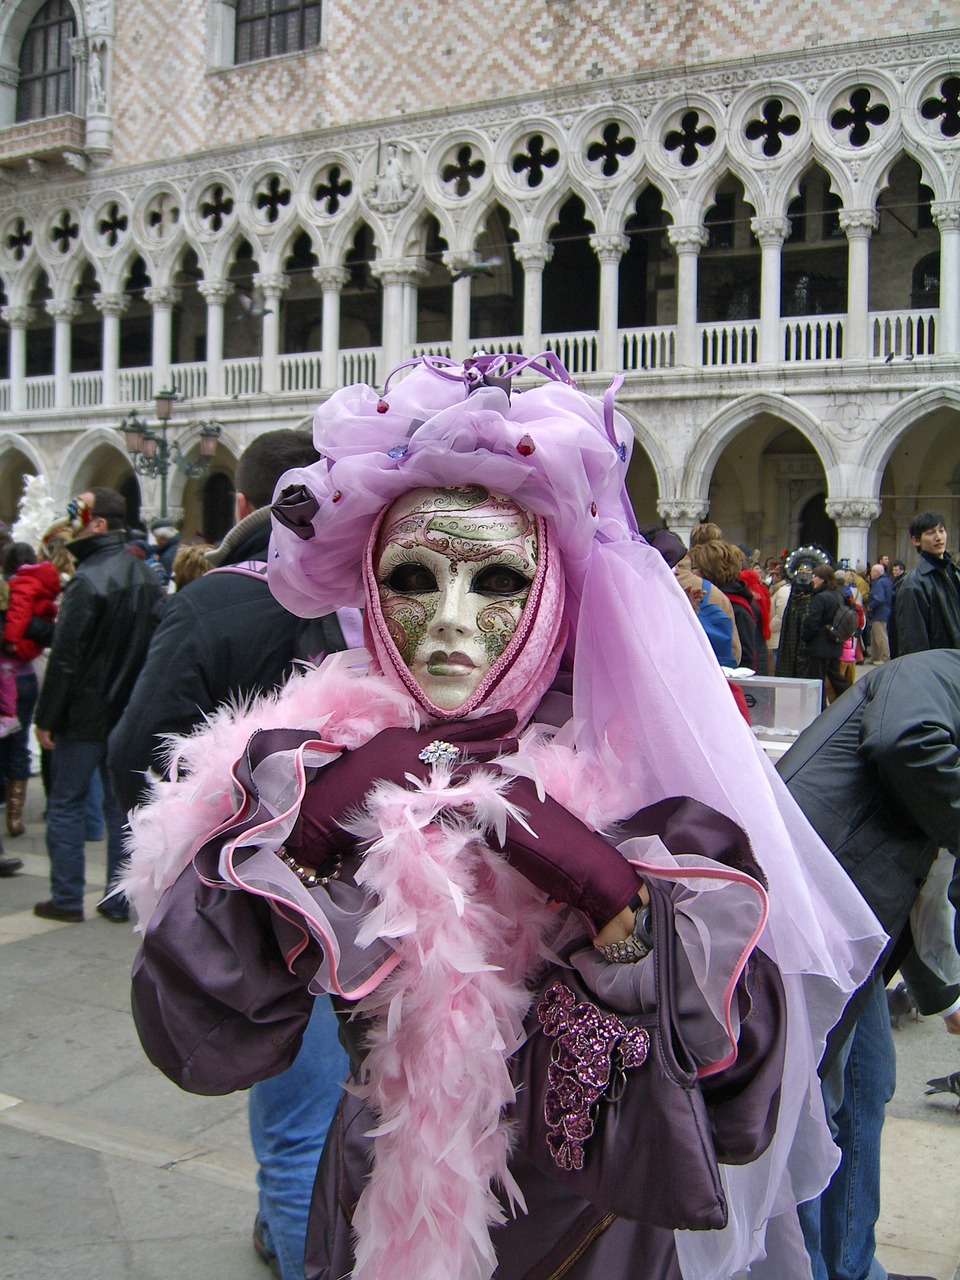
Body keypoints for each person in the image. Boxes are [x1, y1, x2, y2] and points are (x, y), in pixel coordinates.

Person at [123, 353, 883, 1280]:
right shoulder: (314, 769)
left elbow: (734, 1104)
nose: (447, 621)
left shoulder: (638, 788)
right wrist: (313, 831)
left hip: (594, 1244)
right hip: (380, 1209)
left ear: (554, 595)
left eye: (495, 584)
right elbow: (197, 1038)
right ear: (367, 591)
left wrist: (619, 906)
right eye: (410, 577)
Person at [109, 430, 355, 1280]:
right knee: (358, 1113)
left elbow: (139, 749)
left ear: (244, 506)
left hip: (266, 908)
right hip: (388, 898)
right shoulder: (388, 583)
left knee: (295, 1128)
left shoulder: (215, 603)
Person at [777, 652, 960, 1280]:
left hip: (855, 923)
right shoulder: (937, 674)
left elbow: (931, 878)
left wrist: (945, 993)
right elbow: (905, 742)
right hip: (819, 909)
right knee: (811, 1110)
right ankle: (806, 1268)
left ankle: (851, 1266)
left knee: (865, 1090)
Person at [33, 488, 163, 924]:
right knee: (118, 808)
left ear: (99, 524)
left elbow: (66, 659)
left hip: (83, 715)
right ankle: (117, 897)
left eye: (79, 517)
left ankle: (67, 897)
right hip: (126, 711)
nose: (72, 527)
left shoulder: (87, 579)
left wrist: (46, 718)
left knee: (67, 803)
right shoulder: (146, 576)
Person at [1, 542, 61, 835]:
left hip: (8, 677)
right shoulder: (40, 589)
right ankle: (15, 816)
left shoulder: (11, 590)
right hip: (25, 675)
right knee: (19, 745)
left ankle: (7, 803)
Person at [892, 510, 960, 655]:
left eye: (941, 531)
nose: (938, 537)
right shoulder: (913, 585)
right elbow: (913, 644)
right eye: (930, 533)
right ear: (916, 540)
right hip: (938, 669)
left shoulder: (955, 574)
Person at [800, 563, 850, 707]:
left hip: (819, 646)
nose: (812, 579)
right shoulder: (838, 595)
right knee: (836, 678)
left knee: (817, 681)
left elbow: (812, 622)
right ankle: (852, 701)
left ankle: (819, 710)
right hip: (834, 642)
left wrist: (806, 637)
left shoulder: (820, 598)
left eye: (815, 576)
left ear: (822, 579)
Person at [866, 563, 893, 664]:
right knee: (875, 636)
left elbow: (879, 598)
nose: (870, 573)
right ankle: (875, 657)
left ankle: (884, 657)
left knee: (880, 636)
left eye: (872, 571)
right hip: (883, 611)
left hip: (879, 612)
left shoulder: (880, 583)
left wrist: (870, 606)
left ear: (877, 573)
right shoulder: (887, 580)